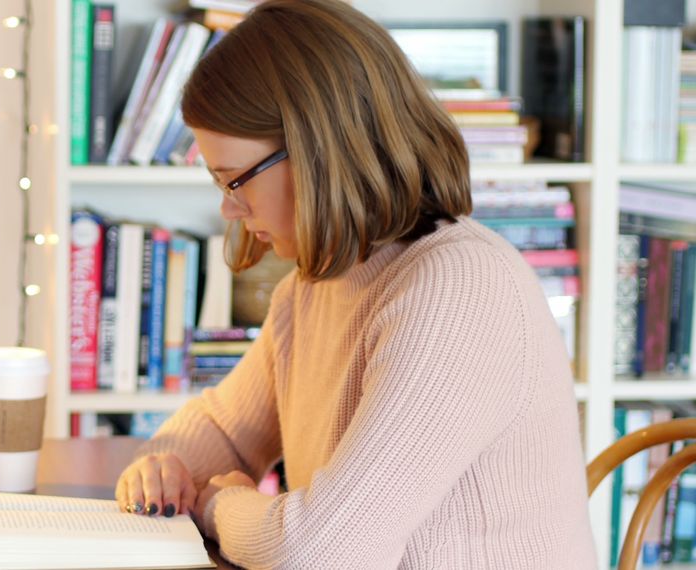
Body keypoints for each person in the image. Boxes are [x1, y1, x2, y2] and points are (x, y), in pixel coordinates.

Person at [113, 1, 597, 568]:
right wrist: (163, 469)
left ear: (318, 152)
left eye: (234, 180)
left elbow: (322, 550)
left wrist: (219, 503)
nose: (228, 208)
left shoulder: (462, 290)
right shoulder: (317, 285)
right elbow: (223, 427)